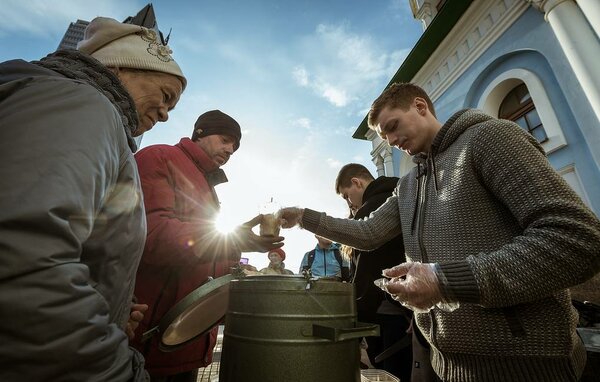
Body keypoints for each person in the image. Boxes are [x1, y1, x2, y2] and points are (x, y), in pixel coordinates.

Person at [280, 82, 600, 381]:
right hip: (448, 367)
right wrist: (304, 217)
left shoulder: (490, 138)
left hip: (529, 365)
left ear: (420, 106)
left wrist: (444, 281)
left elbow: (578, 238)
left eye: (392, 126)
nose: (390, 141)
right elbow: (368, 232)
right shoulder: (409, 184)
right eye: (384, 135)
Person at [0, 16, 186, 381]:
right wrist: (117, 370)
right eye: (166, 97)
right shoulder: (82, 105)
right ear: (121, 66)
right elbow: (22, 263)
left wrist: (110, 308)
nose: (165, 115)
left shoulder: (81, 113)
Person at [131, 110, 283, 381]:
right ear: (200, 133)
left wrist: (239, 269)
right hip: (150, 337)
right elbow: (151, 236)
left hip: (185, 337)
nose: (230, 150)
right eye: (225, 140)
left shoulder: (207, 184)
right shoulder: (160, 157)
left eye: (234, 147)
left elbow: (204, 257)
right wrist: (233, 240)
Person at [335, 163, 412, 381]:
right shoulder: (401, 194)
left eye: (346, 196)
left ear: (356, 182)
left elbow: (366, 270)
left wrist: (357, 317)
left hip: (387, 310)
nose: (348, 202)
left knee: (390, 373)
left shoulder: (372, 207)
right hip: (410, 308)